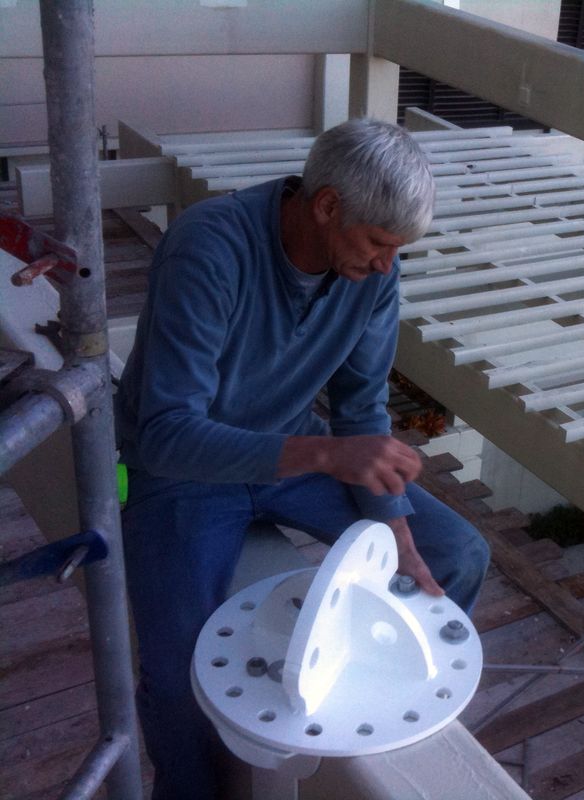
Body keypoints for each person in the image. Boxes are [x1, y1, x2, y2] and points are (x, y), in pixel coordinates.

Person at [115, 118, 490, 799]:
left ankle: (361, 706)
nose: (387, 265)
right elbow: (167, 432)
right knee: (176, 675)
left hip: (293, 451)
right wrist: (326, 453)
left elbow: (361, 406)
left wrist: (399, 537)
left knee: (454, 555)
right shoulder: (209, 247)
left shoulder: (373, 273)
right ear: (326, 206)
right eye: (378, 243)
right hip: (183, 473)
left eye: (397, 250)